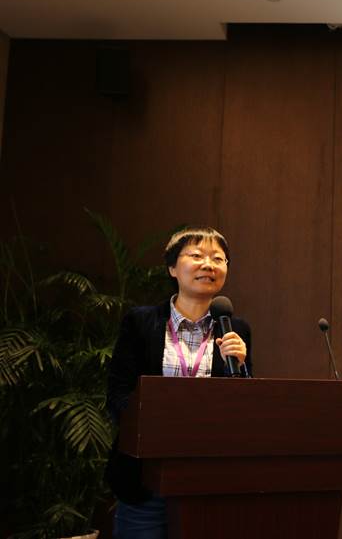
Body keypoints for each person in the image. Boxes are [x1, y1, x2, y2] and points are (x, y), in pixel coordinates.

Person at [105, 227, 253, 539]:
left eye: (218, 259)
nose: (208, 264)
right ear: (173, 268)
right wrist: (149, 431)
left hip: (210, 481)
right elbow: (118, 394)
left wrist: (240, 367)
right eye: (197, 255)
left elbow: (246, 407)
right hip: (145, 480)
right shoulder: (141, 322)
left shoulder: (235, 329)